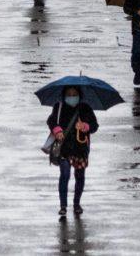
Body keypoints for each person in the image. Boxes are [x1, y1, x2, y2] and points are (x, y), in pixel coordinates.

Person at [47, 86, 98, 216]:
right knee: (64, 175)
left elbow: (94, 125)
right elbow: (51, 120)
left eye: (74, 94)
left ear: (79, 95)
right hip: (64, 149)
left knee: (79, 176)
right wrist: (57, 130)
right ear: (64, 95)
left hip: (81, 149)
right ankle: (63, 205)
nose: (72, 96)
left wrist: (85, 126)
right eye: (69, 94)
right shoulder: (58, 107)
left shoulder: (85, 108)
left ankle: (76, 204)